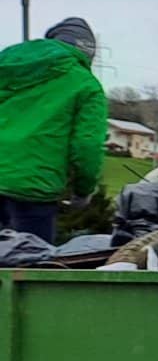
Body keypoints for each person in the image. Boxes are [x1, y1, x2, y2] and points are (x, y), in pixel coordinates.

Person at [0, 17, 106, 242]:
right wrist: (83, 190)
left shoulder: (8, 62)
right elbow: (87, 145)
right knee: (28, 265)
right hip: (33, 189)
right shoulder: (87, 85)